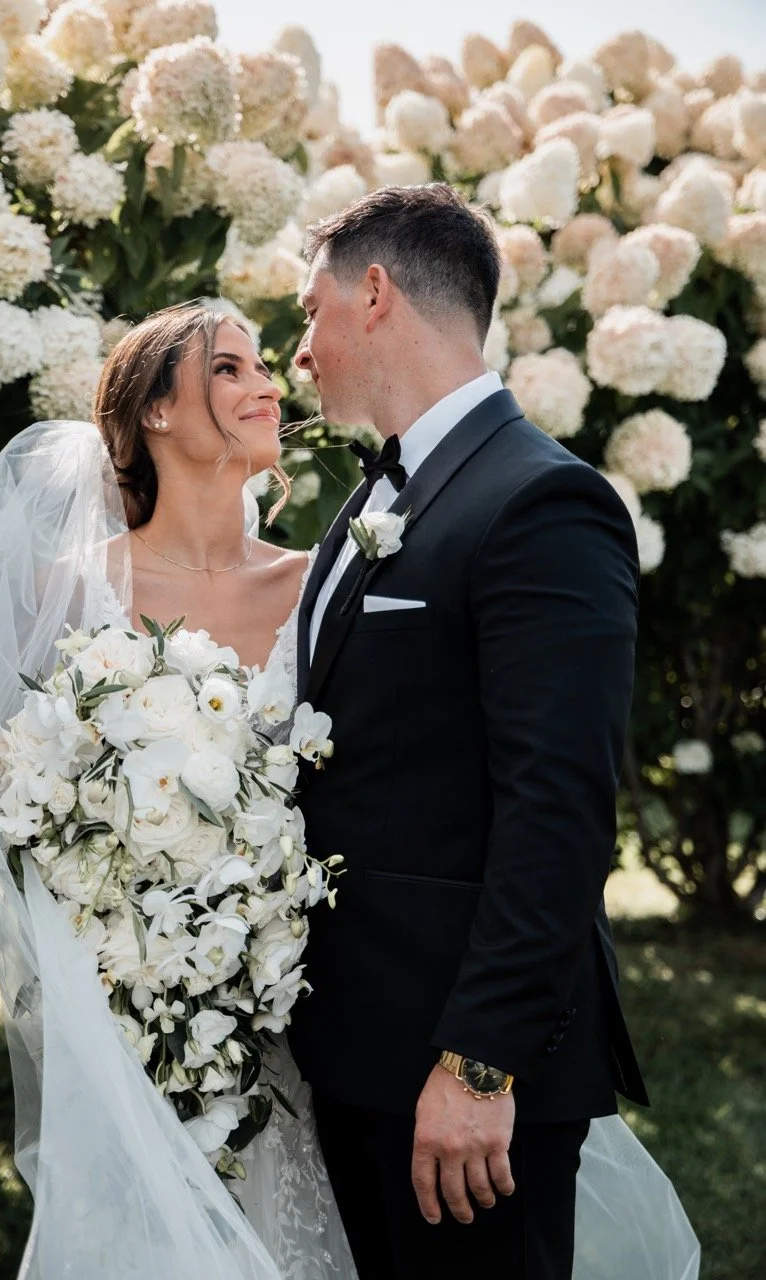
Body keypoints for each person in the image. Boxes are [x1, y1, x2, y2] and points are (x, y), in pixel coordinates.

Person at [0, 286, 699, 1279]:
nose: (266, 382)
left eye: (264, 362)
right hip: (142, 1020)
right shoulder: (65, 589)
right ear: (152, 411)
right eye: (225, 368)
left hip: (322, 1018)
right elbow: (32, 809)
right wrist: (132, 976)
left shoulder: (321, 579)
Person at [286, 181, 646, 1280]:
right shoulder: (375, 497)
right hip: (355, 1048)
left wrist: (478, 1064)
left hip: (460, 1076)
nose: (298, 351)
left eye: (310, 311)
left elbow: (560, 807)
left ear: (376, 294)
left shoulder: (540, 500)